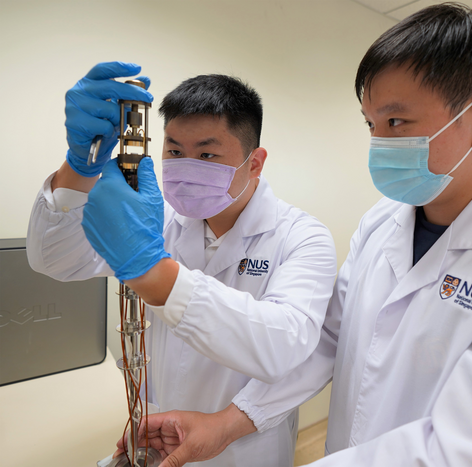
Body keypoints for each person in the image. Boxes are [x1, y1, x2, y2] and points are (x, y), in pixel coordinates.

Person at [123, 5, 472, 467]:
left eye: (396, 121)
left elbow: (468, 450)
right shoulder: (383, 223)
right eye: (370, 123)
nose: (378, 142)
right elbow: (323, 343)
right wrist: (229, 423)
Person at [26, 63, 337, 467]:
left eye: (207, 154)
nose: (186, 166)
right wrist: (79, 166)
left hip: (245, 449)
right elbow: (54, 258)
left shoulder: (303, 237)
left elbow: (282, 346)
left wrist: (154, 272)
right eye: (174, 150)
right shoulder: (157, 220)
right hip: (157, 432)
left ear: (255, 163)